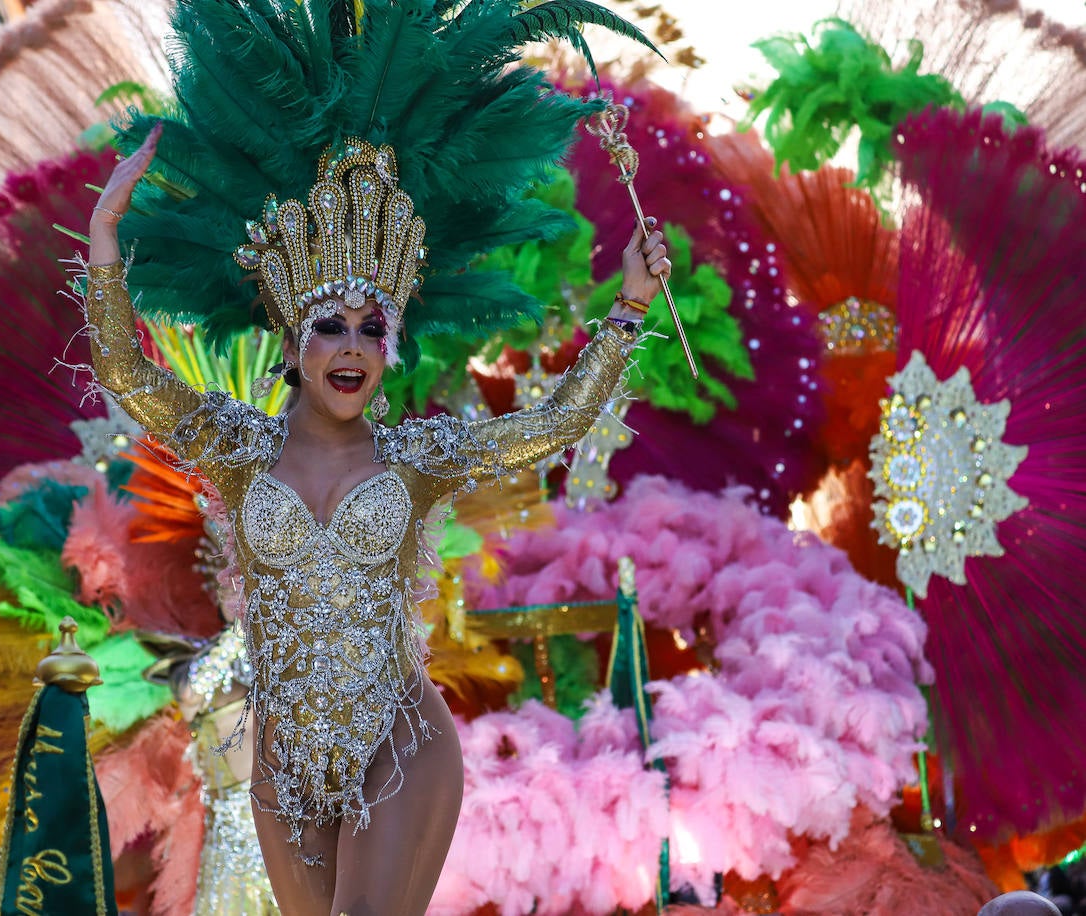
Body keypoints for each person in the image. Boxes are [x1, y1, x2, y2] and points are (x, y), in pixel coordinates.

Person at [79, 122, 668, 915]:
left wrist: (629, 307)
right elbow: (123, 368)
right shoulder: (236, 448)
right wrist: (104, 236)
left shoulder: (416, 458)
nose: (351, 346)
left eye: (371, 329)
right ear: (293, 346)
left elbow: (550, 426)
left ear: (388, 353)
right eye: (330, 326)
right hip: (284, 767)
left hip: (398, 744)